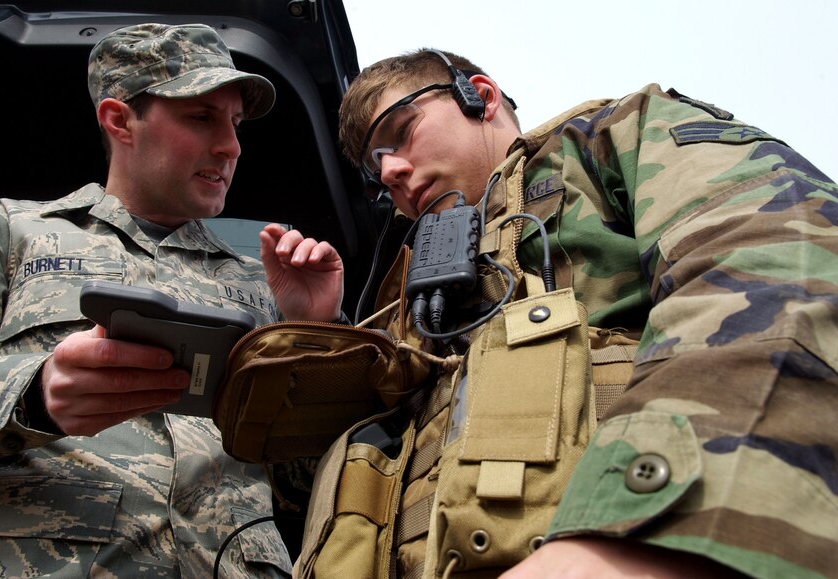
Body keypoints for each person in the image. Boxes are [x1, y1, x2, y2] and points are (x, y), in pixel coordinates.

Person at [294, 49, 838, 578]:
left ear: (478, 96)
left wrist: (643, 532)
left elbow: (779, 261)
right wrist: (319, 330)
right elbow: (317, 484)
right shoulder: (408, 294)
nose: (390, 171)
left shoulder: (609, 139)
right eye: (375, 166)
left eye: (401, 131)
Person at [0, 23, 344, 577]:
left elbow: (312, 488)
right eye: (201, 117)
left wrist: (318, 334)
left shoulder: (264, 284)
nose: (231, 146)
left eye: (235, 123)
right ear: (119, 121)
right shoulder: (6, 235)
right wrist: (32, 396)